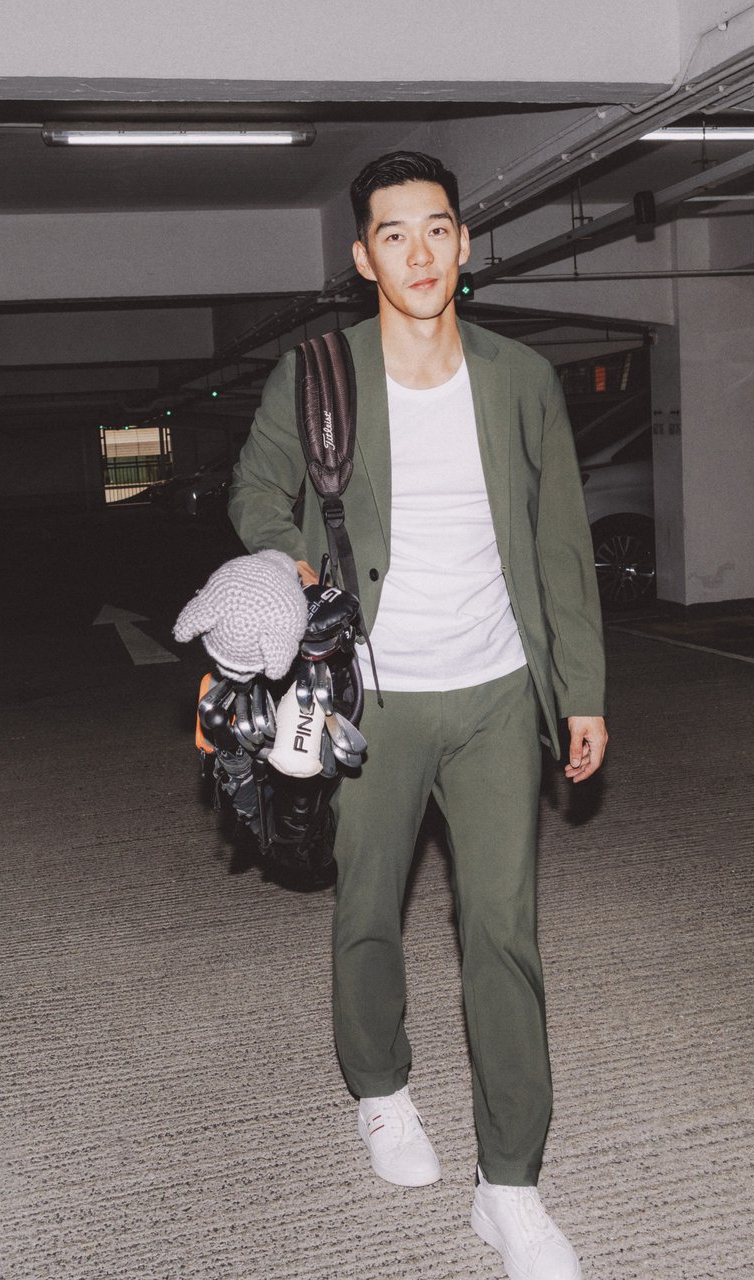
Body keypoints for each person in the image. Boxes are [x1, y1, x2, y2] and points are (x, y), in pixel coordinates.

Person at [228, 151, 608, 1280]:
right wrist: (295, 567)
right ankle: (381, 1088)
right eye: (394, 235)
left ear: (463, 242)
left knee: (503, 931)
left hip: (495, 692)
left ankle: (512, 1185)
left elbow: (561, 543)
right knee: (369, 908)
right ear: (362, 258)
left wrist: (579, 685)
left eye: (437, 229)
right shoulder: (317, 376)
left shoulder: (520, 376)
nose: (421, 253)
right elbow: (254, 490)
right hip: (375, 694)